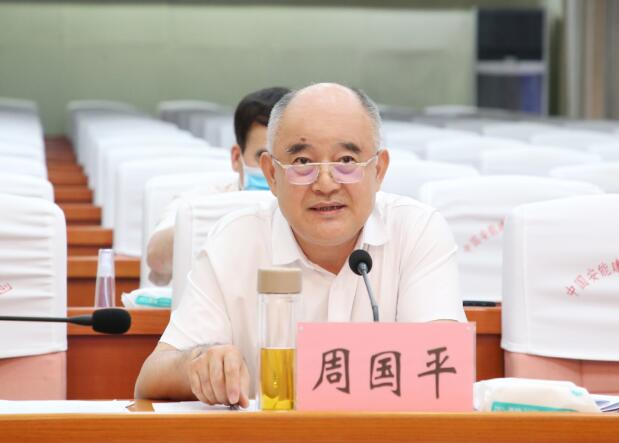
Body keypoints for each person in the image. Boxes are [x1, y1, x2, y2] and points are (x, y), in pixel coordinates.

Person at [135, 83, 466, 406]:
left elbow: (442, 368)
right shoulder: (234, 239)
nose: (326, 183)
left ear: (378, 170)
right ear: (271, 174)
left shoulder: (417, 231)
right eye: (303, 162)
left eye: (346, 160)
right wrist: (198, 363)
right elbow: (151, 378)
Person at [146, 87, 290, 285]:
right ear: (236, 158)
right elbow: (155, 257)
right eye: (262, 158)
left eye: (284, 159)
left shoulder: (312, 206)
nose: (272, 170)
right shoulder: (199, 202)